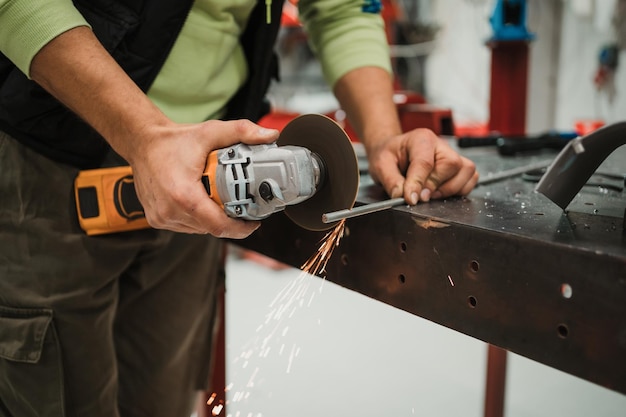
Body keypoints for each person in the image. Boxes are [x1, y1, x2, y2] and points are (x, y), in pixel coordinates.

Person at [0, 0, 478, 416]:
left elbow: (342, 8)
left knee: (161, 400)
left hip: (201, 179)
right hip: (50, 149)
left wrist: (384, 136)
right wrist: (144, 137)